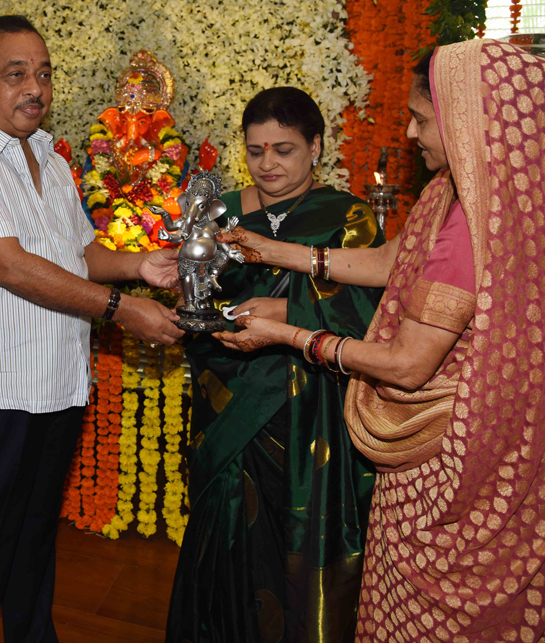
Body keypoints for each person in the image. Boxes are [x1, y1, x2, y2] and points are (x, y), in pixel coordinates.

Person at [213, 40, 545, 642]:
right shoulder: (491, 197)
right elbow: (395, 261)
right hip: (523, 446)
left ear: (472, 120)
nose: (411, 134)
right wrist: (273, 250)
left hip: (459, 461)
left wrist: (286, 334)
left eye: (421, 118)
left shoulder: (472, 225)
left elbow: (407, 366)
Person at [0, 15, 184, 643]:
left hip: (52, 383)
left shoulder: (49, 157)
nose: (34, 88)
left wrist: (138, 265)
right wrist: (122, 309)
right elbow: (10, 265)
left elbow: (77, 252)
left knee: (33, 541)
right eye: (15, 75)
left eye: (42, 74)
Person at [163, 87, 384, 643]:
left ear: (315, 147)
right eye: (256, 150)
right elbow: (194, 294)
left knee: (292, 532)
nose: (268, 164)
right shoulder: (221, 212)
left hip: (310, 412)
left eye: (283, 149)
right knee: (229, 531)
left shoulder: (346, 217)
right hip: (228, 399)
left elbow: (377, 311)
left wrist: (290, 310)